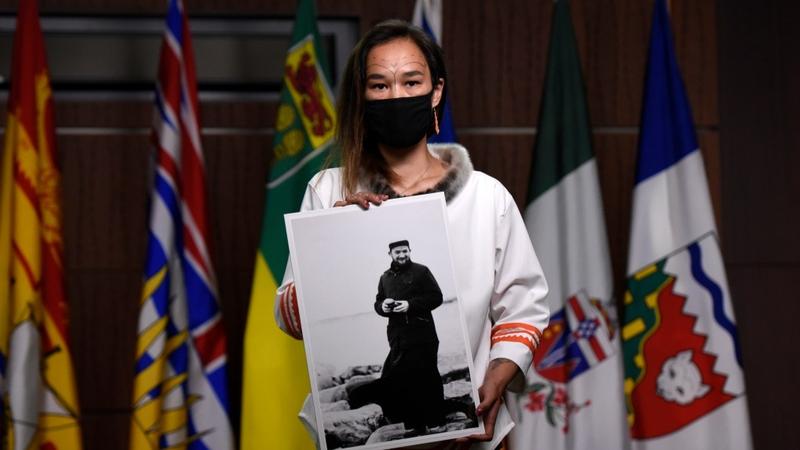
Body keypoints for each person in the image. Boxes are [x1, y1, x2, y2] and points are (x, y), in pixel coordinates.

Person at [275, 19, 550, 449]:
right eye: (379, 85)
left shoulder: (486, 196)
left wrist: (497, 380)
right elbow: (290, 320)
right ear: (362, 97)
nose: (397, 95)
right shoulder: (328, 190)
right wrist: (330, 240)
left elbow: (524, 310)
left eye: (411, 81)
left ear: (435, 91)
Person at [373, 240, 446, 432]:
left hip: (423, 336)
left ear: (410, 251)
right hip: (398, 338)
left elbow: (436, 297)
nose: (402, 255)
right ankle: (413, 424)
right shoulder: (385, 278)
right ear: (390, 254)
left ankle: (437, 422)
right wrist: (384, 306)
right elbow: (378, 302)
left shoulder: (422, 271)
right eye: (398, 252)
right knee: (398, 379)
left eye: (405, 251)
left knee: (428, 377)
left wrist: (410, 305)